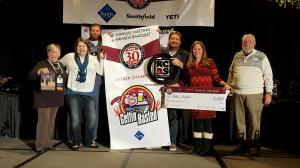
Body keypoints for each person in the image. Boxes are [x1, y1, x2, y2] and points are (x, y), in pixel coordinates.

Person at [227, 34, 273, 156]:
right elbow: (231, 73)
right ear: (241, 43)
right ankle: (242, 144)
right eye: (245, 41)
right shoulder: (237, 56)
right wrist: (229, 88)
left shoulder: (261, 56)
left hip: (255, 93)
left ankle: (254, 145)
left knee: (254, 120)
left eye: (250, 41)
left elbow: (268, 75)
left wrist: (268, 93)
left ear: (254, 43)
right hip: (237, 93)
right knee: (239, 120)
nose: (247, 43)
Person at [184, 41, 231, 156]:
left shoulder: (209, 62)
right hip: (195, 97)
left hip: (208, 96)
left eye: (199, 49)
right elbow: (184, 80)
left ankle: (206, 148)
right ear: (192, 51)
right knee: (197, 122)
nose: (197, 51)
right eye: (194, 49)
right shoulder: (189, 64)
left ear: (203, 50)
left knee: (207, 122)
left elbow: (216, 78)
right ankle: (198, 147)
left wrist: (224, 84)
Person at [59, 37, 104, 150]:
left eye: (84, 46)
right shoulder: (69, 56)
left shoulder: (93, 59)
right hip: (73, 92)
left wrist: (102, 59)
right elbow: (58, 65)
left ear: (87, 48)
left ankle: (89, 141)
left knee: (92, 118)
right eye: (79, 46)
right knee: (75, 119)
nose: (81, 48)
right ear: (76, 48)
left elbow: (100, 72)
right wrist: (65, 74)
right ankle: (76, 142)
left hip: (89, 93)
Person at [28, 43, 67, 153]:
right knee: (43, 121)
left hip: (56, 97)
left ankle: (47, 143)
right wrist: (39, 71)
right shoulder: (42, 63)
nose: (51, 53)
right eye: (49, 51)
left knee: (51, 121)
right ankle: (40, 145)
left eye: (54, 51)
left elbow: (62, 79)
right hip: (43, 97)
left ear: (59, 54)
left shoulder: (60, 64)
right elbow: (30, 76)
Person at [161, 31, 189, 151]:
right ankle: (159, 139)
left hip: (175, 89)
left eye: (176, 39)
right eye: (172, 39)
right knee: (160, 115)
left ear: (180, 42)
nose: (174, 41)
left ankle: (172, 142)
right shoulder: (162, 52)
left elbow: (190, 72)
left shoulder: (185, 54)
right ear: (168, 40)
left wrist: (181, 64)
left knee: (172, 116)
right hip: (160, 88)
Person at [87, 23, 105, 142]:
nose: (94, 32)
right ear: (89, 31)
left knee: (96, 110)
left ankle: (93, 137)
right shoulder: (83, 44)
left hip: (103, 80)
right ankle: (83, 137)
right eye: (93, 30)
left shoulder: (106, 44)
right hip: (87, 80)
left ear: (100, 32)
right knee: (88, 110)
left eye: (97, 31)